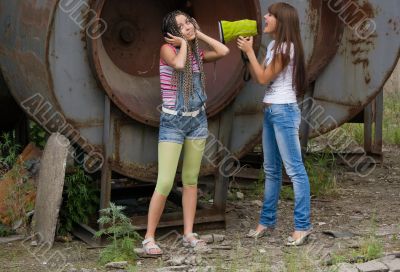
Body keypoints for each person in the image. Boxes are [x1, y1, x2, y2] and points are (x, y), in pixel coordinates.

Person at [142, 10, 230, 256]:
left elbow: (224, 52)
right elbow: (179, 65)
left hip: (197, 121)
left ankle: (189, 233)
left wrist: (197, 35)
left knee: (191, 180)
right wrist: (183, 44)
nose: (187, 26)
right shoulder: (167, 50)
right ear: (171, 34)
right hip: (173, 122)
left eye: (188, 22)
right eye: (180, 25)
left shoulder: (197, 54)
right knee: (166, 181)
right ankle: (149, 238)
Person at [237, 2, 312, 246]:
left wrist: (249, 51)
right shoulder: (272, 46)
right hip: (271, 110)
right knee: (271, 170)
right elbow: (260, 74)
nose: (266, 17)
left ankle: (302, 226)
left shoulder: (286, 48)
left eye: (271, 15)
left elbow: (262, 77)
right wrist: (246, 53)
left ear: (282, 22)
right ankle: (266, 221)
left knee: (295, 170)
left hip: (283, 112)